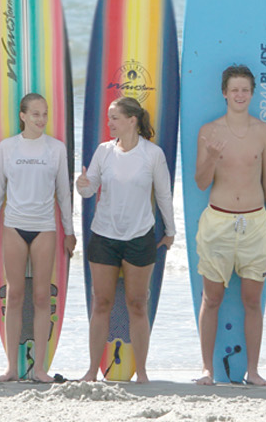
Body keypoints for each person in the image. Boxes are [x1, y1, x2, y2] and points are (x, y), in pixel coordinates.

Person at [76, 97, 175, 383]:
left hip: (139, 237)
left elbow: (163, 195)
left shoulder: (152, 154)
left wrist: (170, 231)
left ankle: (141, 372)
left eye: (114, 118)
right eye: (109, 118)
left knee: (137, 304)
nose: (109, 123)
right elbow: (89, 190)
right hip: (104, 236)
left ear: (132, 120)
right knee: (101, 302)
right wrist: (81, 185)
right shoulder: (104, 151)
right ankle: (92, 371)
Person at [192, 65, 266, 386]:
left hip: (255, 222)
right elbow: (201, 182)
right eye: (234, 90)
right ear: (224, 93)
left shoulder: (265, 132)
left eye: (245, 90)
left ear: (252, 94)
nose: (239, 95)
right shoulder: (209, 131)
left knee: (252, 301)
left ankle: (253, 370)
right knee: (212, 298)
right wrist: (212, 157)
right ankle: (207, 369)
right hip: (218, 221)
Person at [0, 92, 76, 383]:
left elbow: (63, 193)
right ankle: (11, 368)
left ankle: (40, 369)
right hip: (13, 226)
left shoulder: (56, 149)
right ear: (22, 116)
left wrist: (70, 231)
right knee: (14, 295)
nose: (41, 119)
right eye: (35, 114)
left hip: (45, 227)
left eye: (45, 114)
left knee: (41, 296)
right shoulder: (7, 147)